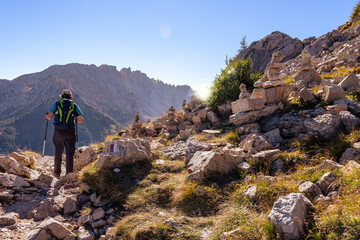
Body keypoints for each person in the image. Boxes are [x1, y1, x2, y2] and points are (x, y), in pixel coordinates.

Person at [45, 89, 84, 178]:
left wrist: (46, 116)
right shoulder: (74, 105)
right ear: (71, 97)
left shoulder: (56, 103)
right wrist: (75, 119)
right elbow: (80, 120)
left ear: (62, 96)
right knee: (69, 153)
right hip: (70, 131)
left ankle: (57, 173)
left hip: (58, 131)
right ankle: (69, 174)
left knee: (58, 152)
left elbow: (49, 117)